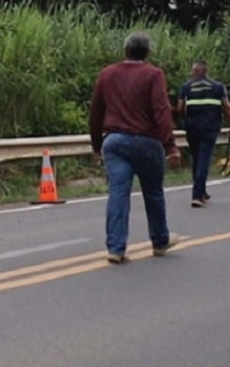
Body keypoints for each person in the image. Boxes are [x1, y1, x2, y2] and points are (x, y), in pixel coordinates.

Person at [89, 31, 181, 264]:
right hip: (147, 141)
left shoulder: (107, 74)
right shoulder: (153, 75)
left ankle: (116, 247)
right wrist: (170, 145)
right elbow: (161, 110)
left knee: (118, 193)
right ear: (147, 53)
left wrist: (97, 145)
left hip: (115, 141)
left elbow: (96, 112)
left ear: (125, 50)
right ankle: (160, 241)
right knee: (153, 192)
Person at [177, 60, 230, 207]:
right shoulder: (218, 87)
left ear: (197, 71)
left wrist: (185, 120)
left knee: (197, 159)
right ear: (206, 72)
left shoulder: (186, 87)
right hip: (210, 128)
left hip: (192, 128)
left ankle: (202, 191)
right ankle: (197, 195)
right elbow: (226, 107)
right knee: (203, 160)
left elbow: (180, 107)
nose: (191, 73)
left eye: (192, 71)